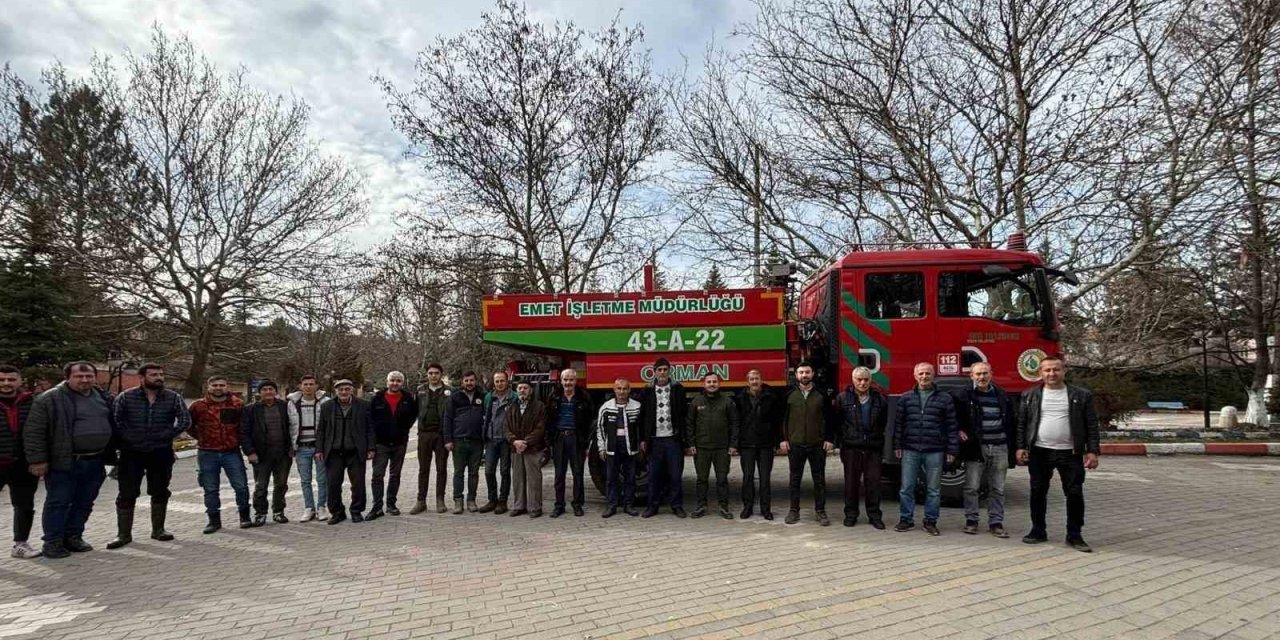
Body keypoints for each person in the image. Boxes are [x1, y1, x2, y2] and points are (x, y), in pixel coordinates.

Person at [24, 361, 114, 559]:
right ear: (68, 377)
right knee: (59, 502)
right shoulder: (50, 398)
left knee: (85, 501)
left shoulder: (102, 396)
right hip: (64, 461)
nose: (84, 380)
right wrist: (37, 460)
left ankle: (73, 536)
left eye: (88, 376)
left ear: (94, 377)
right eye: (79, 376)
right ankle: (52, 542)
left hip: (95, 459)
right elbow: (34, 431)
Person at [1016, 356, 1100, 552]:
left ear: (1064, 371)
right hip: (1039, 452)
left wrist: (1093, 451)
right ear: (1040, 373)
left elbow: (1091, 425)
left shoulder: (1082, 395)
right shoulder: (1030, 395)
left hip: (1070, 453)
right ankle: (1038, 530)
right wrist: (1020, 447)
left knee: (1074, 493)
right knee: (1037, 492)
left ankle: (1075, 535)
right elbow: (1022, 424)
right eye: (1047, 370)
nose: (1051, 374)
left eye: (1056, 370)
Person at [106, 363, 190, 549]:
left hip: (160, 451)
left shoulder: (173, 397)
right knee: (127, 492)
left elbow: (185, 420)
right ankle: (123, 534)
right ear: (142, 378)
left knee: (160, 490)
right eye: (153, 374)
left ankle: (158, 530)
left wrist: (168, 434)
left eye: (161, 374)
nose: (159, 377)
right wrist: (128, 438)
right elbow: (115, 420)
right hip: (132, 452)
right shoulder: (126, 397)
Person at [893, 362, 959, 536]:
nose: (924, 376)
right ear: (915, 376)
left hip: (935, 450)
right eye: (921, 373)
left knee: (934, 490)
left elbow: (952, 426)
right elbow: (898, 425)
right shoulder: (906, 398)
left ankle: (930, 521)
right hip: (910, 449)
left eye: (927, 373)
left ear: (933, 375)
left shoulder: (944, 398)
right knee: (906, 487)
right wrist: (897, 445)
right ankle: (906, 519)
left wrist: (952, 450)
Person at [956, 362, 1016, 537]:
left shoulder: (1002, 395)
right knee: (971, 487)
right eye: (978, 374)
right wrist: (959, 431)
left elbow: (1011, 421)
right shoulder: (963, 395)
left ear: (991, 374)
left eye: (985, 373)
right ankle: (971, 521)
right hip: (976, 448)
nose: (981, 377)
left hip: (1000, 447)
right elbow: (954, 417)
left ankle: (996, 523)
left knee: (997, 488)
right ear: (971, 376)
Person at [188, 376, 251, 532]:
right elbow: (188, 425)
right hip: (207, 453)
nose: (218, 388)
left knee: (241, 486)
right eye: (214, 385)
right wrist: (202, 437)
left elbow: (244, 427)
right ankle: (214, 520)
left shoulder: (237, 404)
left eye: (221, 385)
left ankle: (245, 516)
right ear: (208, 387)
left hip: (231, 452)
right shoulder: (198, 406)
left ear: (227, 387)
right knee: (210, 488)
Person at [780, 362, 835, 526]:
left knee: (819, 480)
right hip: (795, 444)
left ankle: (820, 512)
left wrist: (829, 439)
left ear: (813, 374)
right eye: (801, 372)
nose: (804, 375)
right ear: (796, 375)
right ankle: (793, 511)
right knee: (794, 480)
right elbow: (782, 419)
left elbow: (830, 418)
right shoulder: (788, 394)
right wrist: (783, 439)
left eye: (807, 372)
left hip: (817, 444)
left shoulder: (822, 394)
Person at [835, 367, 888, 529]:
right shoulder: (842, 398)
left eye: (866, 379)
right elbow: (838, 423)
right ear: (853, 380)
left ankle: (874, 516)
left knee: (873, 484)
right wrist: (843, 441)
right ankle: (851, 515)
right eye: (859, 379)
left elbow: (883, 423)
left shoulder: (880, 399)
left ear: (870, 380)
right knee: (851, 484)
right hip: (851, 448)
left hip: (873, 449)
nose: (862, 383)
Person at [316, 379, 374, 524]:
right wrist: (319, 449)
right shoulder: (327, 406)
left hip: (355, 451)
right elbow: (321, 430)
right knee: (333, 484)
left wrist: (371, 448)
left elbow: (370, 428)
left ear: (351, 390)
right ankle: (337, 512)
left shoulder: (363, 405)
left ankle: (356, 511)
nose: (343, 392)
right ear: (336, 391)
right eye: (340, 389)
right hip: (334, 452)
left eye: (347, 389)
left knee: (358, 483)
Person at [639, 358, 689, 518]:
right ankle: (652, 507)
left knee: (675, 475)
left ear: (669, 371)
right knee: (654, 476)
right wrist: (643, 439)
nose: (662, 373)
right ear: (654, 372)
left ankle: (676, 505)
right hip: (654, 440)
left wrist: (685, 440)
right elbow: (642, 417)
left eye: (665, 370)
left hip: (672, 439)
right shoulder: (647, 390)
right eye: (659, 370)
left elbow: (683, 415)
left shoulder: (678, 389)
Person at [240, 380, 293, 526]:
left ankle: (278, 512)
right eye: (265, 389)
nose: (268, 391)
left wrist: (292, 447)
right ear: (259, 392)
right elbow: (244, 433)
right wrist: (250, 452)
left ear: (275, 391)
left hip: (283, 453)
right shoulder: (250, 409)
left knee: (281, 484)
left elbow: (292, 426)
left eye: (271, 389)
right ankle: (260, 513)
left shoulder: (285, 406)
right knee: (261, 486)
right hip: (261, 454)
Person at [0, 365, 40, 558]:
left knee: (24, 505)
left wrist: (39, 459)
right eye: (2, 380)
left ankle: (20, 544)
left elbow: (41, 432)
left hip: (23, 463)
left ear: (20, 381)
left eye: (11, 379)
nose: (6, 383)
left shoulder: (32, 402)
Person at [686, 373, 739, 520]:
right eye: (709, 382)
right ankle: (701, 506)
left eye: (714, 382)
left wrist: (733, 445)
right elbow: (689, 424)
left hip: (722, 448)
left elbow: (735, 424)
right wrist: (691, 444)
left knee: (722, 479)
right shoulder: (696, 402)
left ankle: (723, 507)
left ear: (719, 384)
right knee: (701, 479)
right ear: (704, 384)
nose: (712, 384)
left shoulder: (727, 402)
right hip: (701, 448)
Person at [368, 371, 418, 519]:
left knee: (395, 475)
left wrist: (403, 429)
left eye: (398, 381)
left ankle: (391, 504)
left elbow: (413, 416)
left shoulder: (408, 399)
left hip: (399, 443)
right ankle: (377, 506)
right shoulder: (377, 399)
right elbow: (370, 420)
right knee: (377, 475)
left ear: (402, 383)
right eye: (392, 380)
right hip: (381, 443)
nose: (395, 383)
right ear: (387, 381)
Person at [545, 369, 594, 518]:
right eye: (565, 380)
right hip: (560, 438)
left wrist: (586, 441)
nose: (568, 383)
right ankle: (559, 505)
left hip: (576, 439)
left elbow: (590, 420)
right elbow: (548, 419)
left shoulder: (584, 396)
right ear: (561, 381)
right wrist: (550, 440)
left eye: (571, 380)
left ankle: (577, 505)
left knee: (577, 474)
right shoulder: (554, 396)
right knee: (559, 475)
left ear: (576, 381)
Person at [734, 369, 782, 520]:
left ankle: (765, 509)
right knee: (747, 477)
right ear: (747, 381)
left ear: (761, 379)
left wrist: (777, 441)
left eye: (757, 378)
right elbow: (736, 422)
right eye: (751, 379)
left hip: (765, 445)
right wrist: (736, 443)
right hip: (747, 444)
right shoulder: (740, 398)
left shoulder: (771, 397)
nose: (754, 381)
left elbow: (777, 421)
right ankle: (747, 507)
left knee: (765, 478)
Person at [596, 378, 643, 518]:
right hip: (612, 447)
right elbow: (600, 428)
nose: (622, 392)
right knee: (611, 478)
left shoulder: (637, 406)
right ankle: (612, 505)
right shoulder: (606, 407)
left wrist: (641, 446)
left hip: (630, 447)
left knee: (630, 477)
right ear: (614, 390)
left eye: (625, 389)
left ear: (629, 390)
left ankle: (629, 505)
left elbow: (642, 428)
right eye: (619, 388)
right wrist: (601, 448)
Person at [287, 375, 328, 522]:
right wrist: (291, 446)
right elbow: (289, 426)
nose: (309, 387)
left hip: (319, 448)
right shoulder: (292, 403)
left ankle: (321, 507)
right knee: (305, 480)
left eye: (311, 384)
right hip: (301, 448)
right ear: (300, 386)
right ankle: (309, 508)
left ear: (316, 386)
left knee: (322, 479)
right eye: (306, 384)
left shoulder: (325, 402)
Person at [412, 363, 451, 514]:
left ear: (441, 374)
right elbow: (414, 411)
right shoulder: (420, 390)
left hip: (441, 435)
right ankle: (421, 501)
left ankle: (440, 500)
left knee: (441, 469)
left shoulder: (449, 392)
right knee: (423, 469)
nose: (433, 376)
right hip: (424, 434)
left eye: (436, 373)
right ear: (427, 375)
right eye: (430, 373)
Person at [445, 371, 485, 514]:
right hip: (459, 441)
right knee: (458, 473)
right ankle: (458, 500)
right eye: (466, 380)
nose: (469, 383)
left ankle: (471, 500)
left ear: (476, 381)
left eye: (472, 380)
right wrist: (448, 440)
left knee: (474, 473)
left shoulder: (482, 395)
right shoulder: (455, 397)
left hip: (476, 442)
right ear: (462, 382)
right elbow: (448, 419)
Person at [504, 381, 546, 517]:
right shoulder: (511, 406)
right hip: (516, 448)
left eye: (525, 388)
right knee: (518, 478)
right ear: (516, 390)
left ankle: (535, 507)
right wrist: (514, 441)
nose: (522, 390)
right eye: (520, 388)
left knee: (533, 478)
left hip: (532, 448)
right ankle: (519, 506)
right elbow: (506, 427)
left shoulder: (539, 406)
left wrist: (526, 442)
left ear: (531, 390)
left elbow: (540, 428)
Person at [480, 371, 517, 514]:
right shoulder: (489, 397)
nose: (500, 384)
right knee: (489, 471)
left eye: (502, 381)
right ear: (493, 383)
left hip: (506, 441)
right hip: (491, 439)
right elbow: (486, 415)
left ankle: (503, 501)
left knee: (504, 471)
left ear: (507, 382)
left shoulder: (513, 397)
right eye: (497, 381)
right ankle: (492, 499)